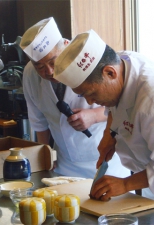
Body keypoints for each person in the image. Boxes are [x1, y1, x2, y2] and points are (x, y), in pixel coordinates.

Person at [53, 29, 154, 215]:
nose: (89, 102)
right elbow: (116, 107)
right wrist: (109, 133)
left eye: (91, 93)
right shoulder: (121, 62)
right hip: (147, 181)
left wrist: (125, 184)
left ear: (109, 73)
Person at [19, 17, 130, 179]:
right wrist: (45, 153)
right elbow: (38, 120)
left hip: (105, 160)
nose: (49, 72)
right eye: (40, 67)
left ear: (65, 46)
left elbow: (121, 102)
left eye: (53, 62)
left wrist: (94, 115)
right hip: (64, 163)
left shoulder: (87, 59)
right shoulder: (30, 74)